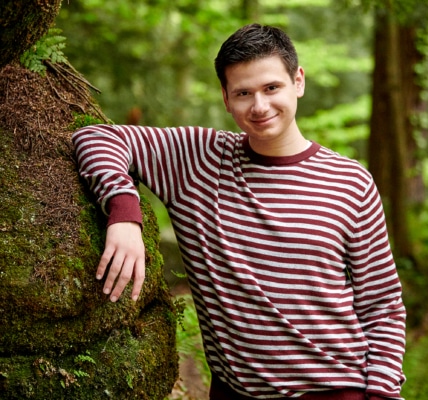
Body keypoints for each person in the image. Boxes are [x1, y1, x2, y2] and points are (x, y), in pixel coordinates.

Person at [73, 23, 406, 400]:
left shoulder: (351, 182)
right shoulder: (199, 160)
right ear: (226, 98)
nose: (260, 106)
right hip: (235, 392)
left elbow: (382, 306)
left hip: (337, 390)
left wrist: (381, 393)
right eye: (243, 93)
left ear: (298, 81)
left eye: (271, 88)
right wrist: (124, 213)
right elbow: (96, 137)